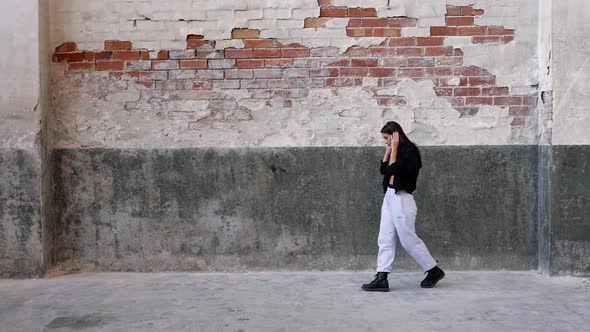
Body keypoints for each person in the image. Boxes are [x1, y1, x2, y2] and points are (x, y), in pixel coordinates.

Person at [362, 121, 445, 292]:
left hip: (402, 198)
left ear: (395, 135)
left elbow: (394, 170)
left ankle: (433, 270)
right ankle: (381, 277)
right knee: (384, 237)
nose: (385, 141)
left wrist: (394, 149)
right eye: (384, 139)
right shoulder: (394, 150)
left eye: (387, 138)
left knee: (408, 240)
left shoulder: (410, 151)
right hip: (389, 197)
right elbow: (384, 170)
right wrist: (388, 150)